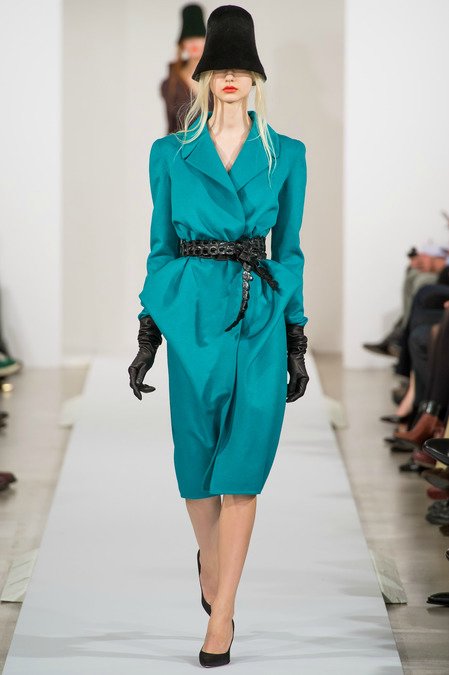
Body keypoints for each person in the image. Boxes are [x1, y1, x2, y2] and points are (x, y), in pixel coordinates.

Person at [128, 5, 309, 667]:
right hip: (193, 315)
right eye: (220, 66)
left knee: (243, 468)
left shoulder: (287, 154)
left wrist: (296, 337)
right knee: (197, 464)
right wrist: (149, 331)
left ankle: (222, 613)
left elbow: (290, 249)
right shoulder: (169, 154)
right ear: (203, 75)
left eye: (242, 66)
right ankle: (210, 562)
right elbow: (160, 246)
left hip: (259, 315)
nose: (230, 77)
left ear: (256, 77)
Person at [160, 3, 213, 133]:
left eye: (199, 36)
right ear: (182, 43)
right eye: (189, 37)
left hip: (217, 145)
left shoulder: (218, 78)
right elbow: (171, 128)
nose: (194, 42)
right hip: (183, 145)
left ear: (207, 40)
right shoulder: (170, 84)